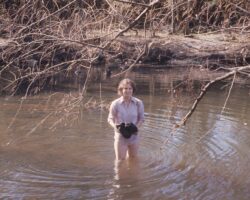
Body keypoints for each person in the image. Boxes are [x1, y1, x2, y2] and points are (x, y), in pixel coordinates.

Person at [108, 78, 144, 161]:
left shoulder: (139, 103)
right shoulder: (115, 104)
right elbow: (110, 119)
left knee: (133, 159)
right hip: (120, 136)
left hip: (134, 136)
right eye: (125, 88)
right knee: (120, 161)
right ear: (121, 90)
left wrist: (136, 128)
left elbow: (141, 119)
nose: (128, 91)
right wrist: (116, 126)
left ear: (133, 90)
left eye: (130, 88)